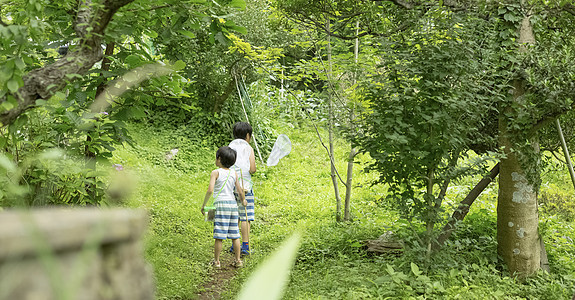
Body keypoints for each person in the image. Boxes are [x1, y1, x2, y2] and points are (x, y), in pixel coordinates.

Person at [201, 146, 246, 268]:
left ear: (219, 159)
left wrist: (204, 205)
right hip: (232, 205)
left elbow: (210, 190)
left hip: (220, 205)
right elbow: (239, 191)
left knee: (219, 236)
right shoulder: (234, 173)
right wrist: (243, 200)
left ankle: (216, 262)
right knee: (235, 235)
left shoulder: (215, 172)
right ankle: (238, 261)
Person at [229, 122, 256, 255]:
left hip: (232, 185)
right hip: (245, 187)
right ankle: (245, 246)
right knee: (246, 216)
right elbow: (252, 169)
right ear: (247, 135)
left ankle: (235, 245)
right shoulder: (249, 148)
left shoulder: (230, 146)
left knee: (236, 215)